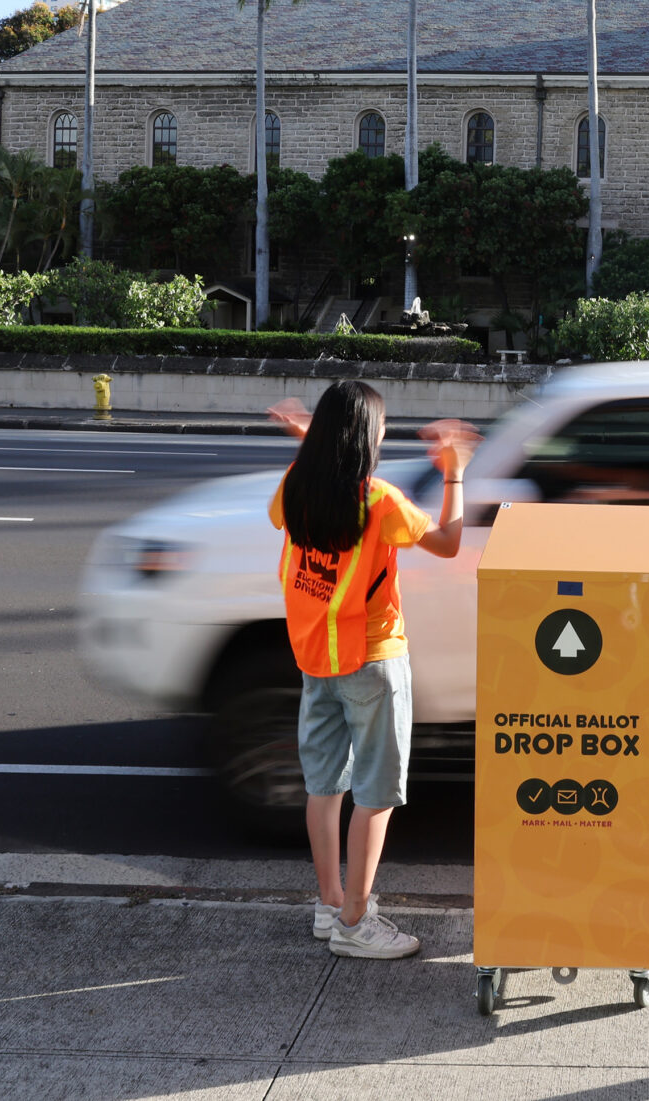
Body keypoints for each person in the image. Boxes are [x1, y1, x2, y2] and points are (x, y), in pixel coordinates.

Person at [266, 382, 477, 960]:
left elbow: (299, 496)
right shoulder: (379, 501)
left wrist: (309, 442)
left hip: (315, 660)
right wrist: (455, 472)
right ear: (367, 438)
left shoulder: (296, 489)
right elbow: (448, 542)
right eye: (380, 427)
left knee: (324, 786)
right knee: (376, 794)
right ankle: (356, 921)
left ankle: (331, 903)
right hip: (374, 660)